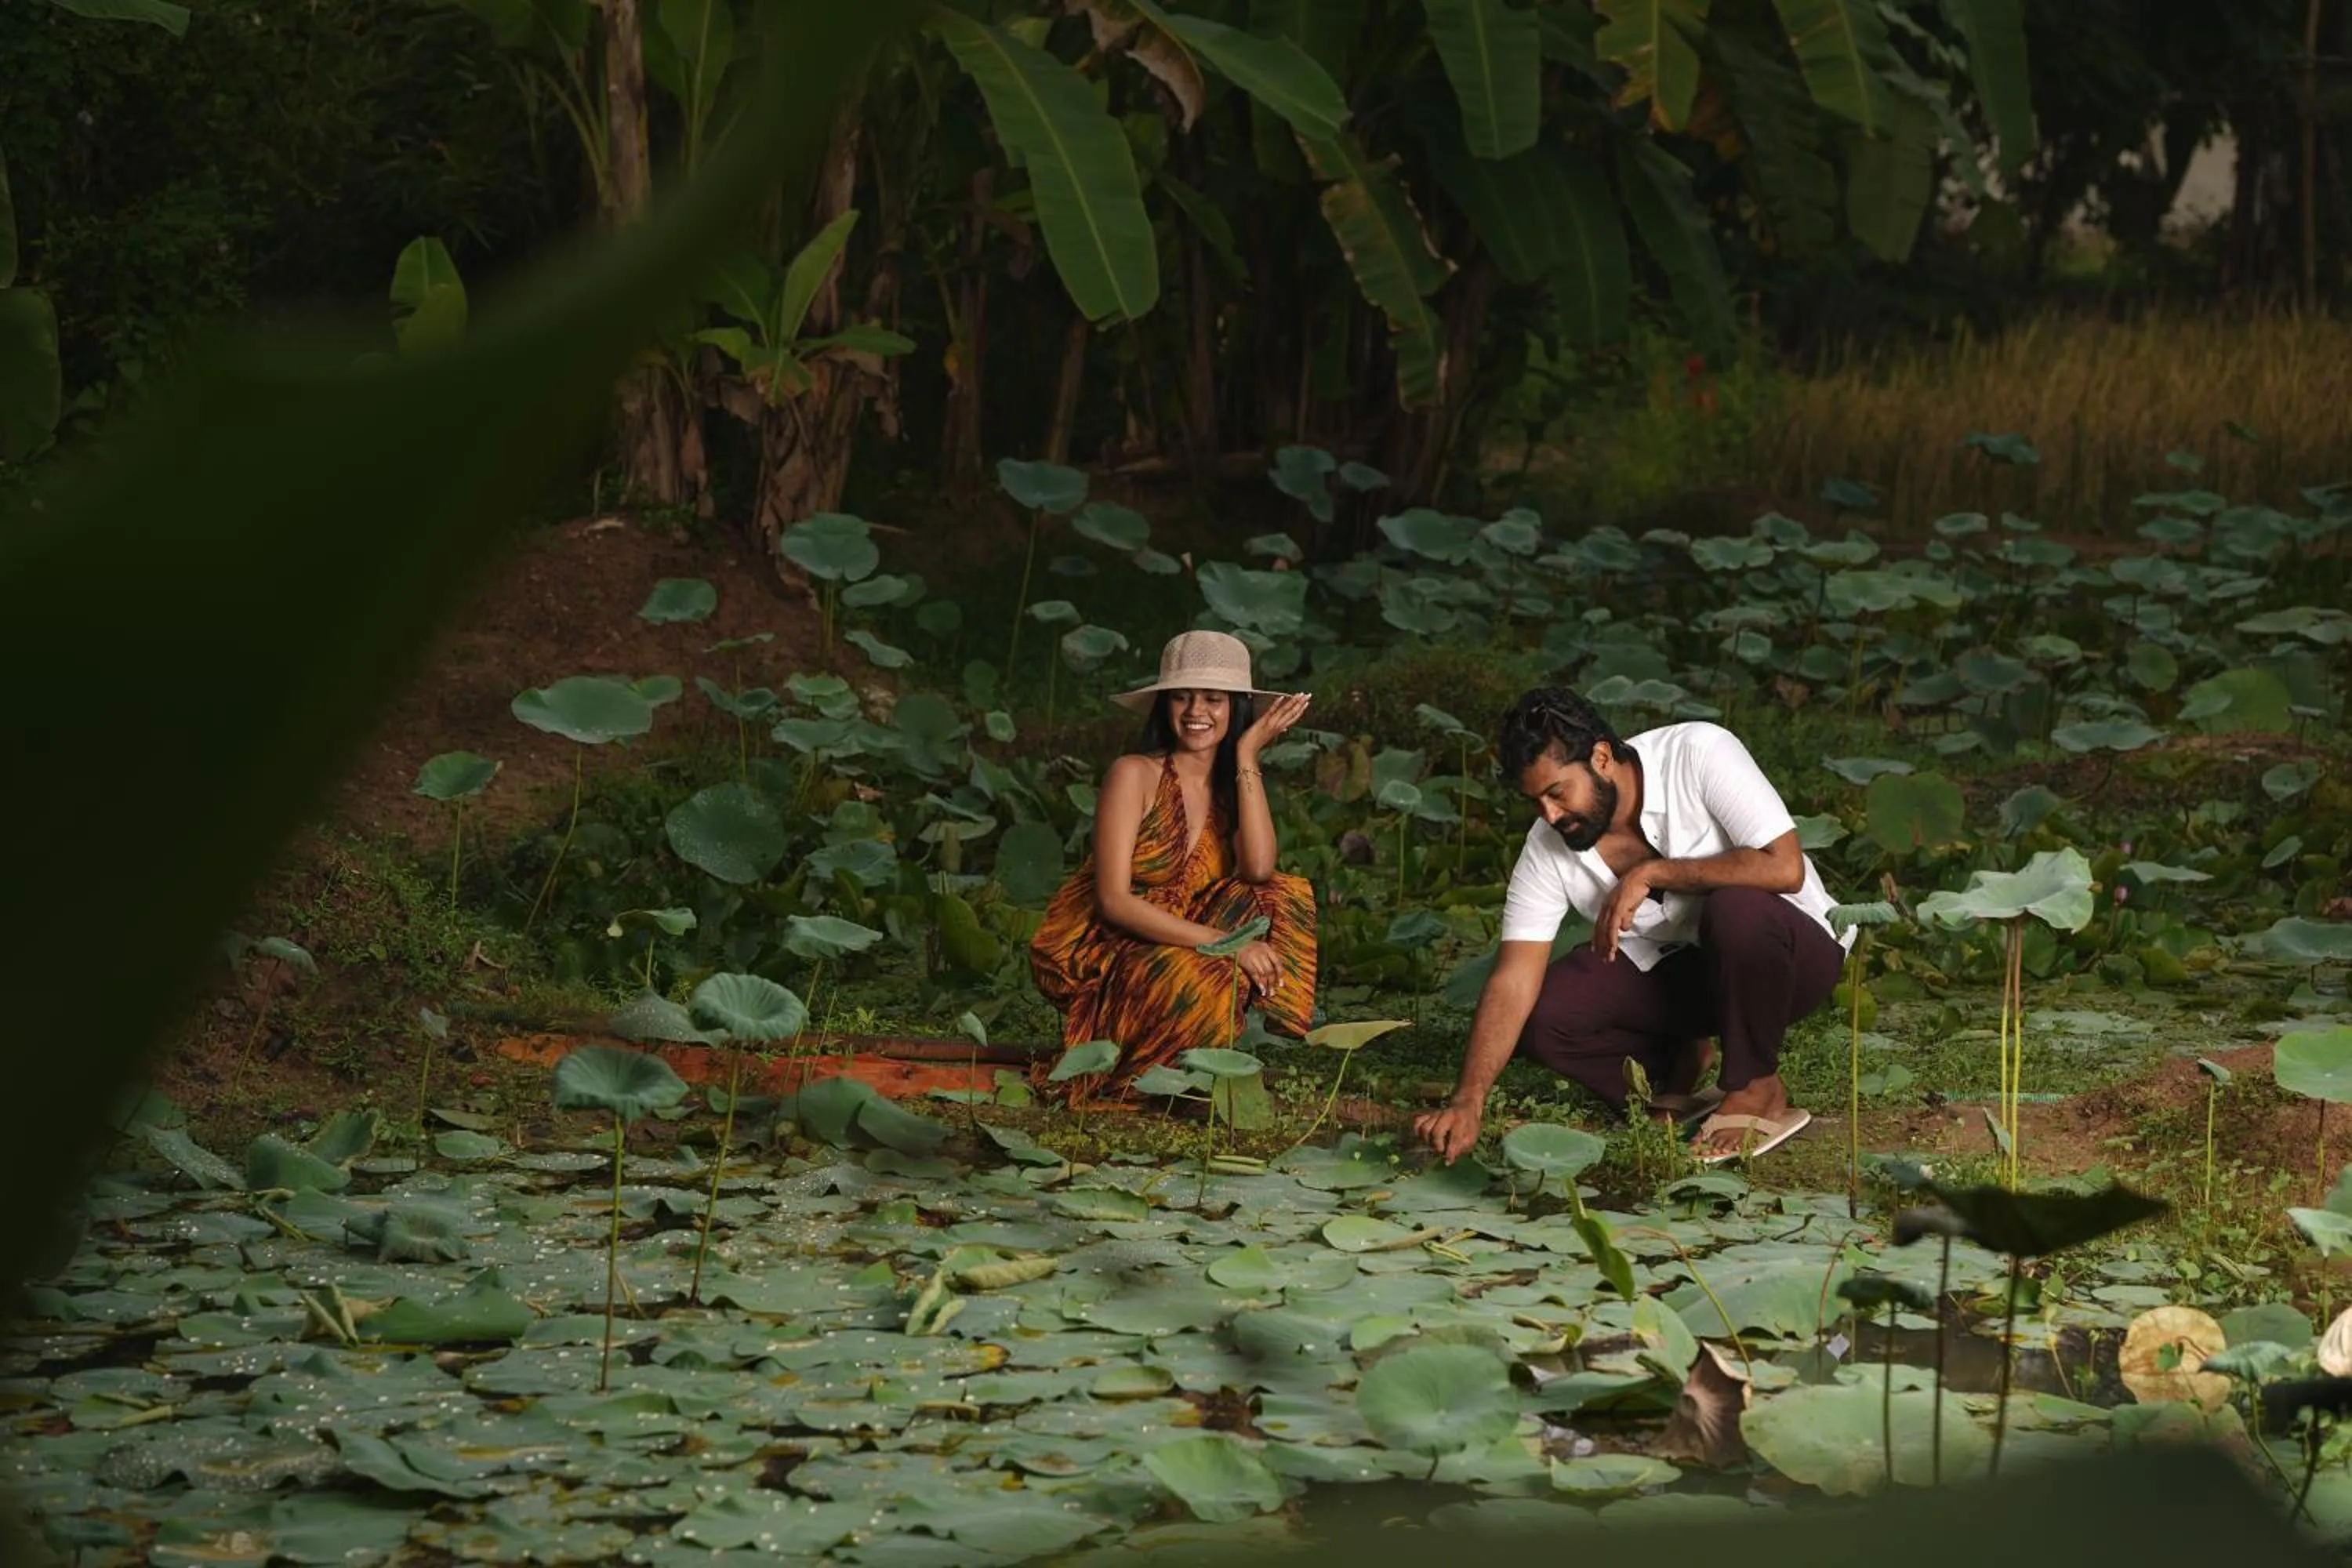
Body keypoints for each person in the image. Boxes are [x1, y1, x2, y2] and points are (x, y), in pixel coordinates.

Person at [1412, 688, 1849, 1166]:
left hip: (1791, 958)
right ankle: (1674, 1069)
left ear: (1601, 757)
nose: (1550, 816)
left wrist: (1652, 873)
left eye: (1557, 793)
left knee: (1735, 907)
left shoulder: (1699, 752)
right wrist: (1468, 1100)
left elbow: (1784, 868)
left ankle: (1756, 1087)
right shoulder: (1547, 847)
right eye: (1535, 802)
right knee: (1546, 1015)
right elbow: (1513, 978)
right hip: (1693, 980)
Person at [1029, 630, 1319, 1102]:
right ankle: (1135, 1079)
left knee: (1280, 893)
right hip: (1115, 951)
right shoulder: (1134, 774)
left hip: (1188, 940)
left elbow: (1259, 870)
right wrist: (1228, 946)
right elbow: (1113, 901)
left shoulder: (1228, 790)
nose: (1195, 711)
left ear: (1236, 707)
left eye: (1213, 699)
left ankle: (1193, 1065)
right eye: (1181, 697)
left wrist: (1247, 755)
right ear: (1165, 705)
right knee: (1203, 976)